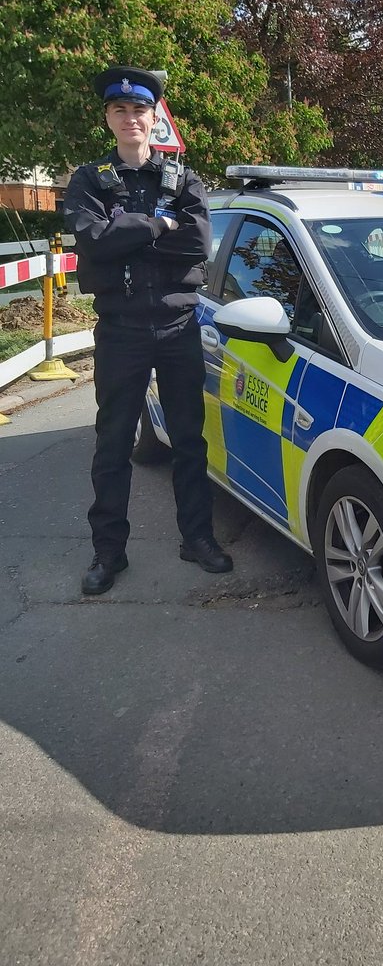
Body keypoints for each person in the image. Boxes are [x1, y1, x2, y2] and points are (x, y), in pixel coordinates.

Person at [64, 66, 233, 596]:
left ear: (153, 117)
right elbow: (94, 241)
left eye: (139, 109)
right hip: (121, 331)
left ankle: (197, 538)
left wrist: (128, 237)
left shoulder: (183, 179)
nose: (130, 118)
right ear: (108, 118)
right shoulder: (88, 181)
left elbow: (198, 243)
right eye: (120, 110)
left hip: (179, 328)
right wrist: (160, 224)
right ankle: (108, 552)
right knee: (113, 444)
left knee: (188, 440)